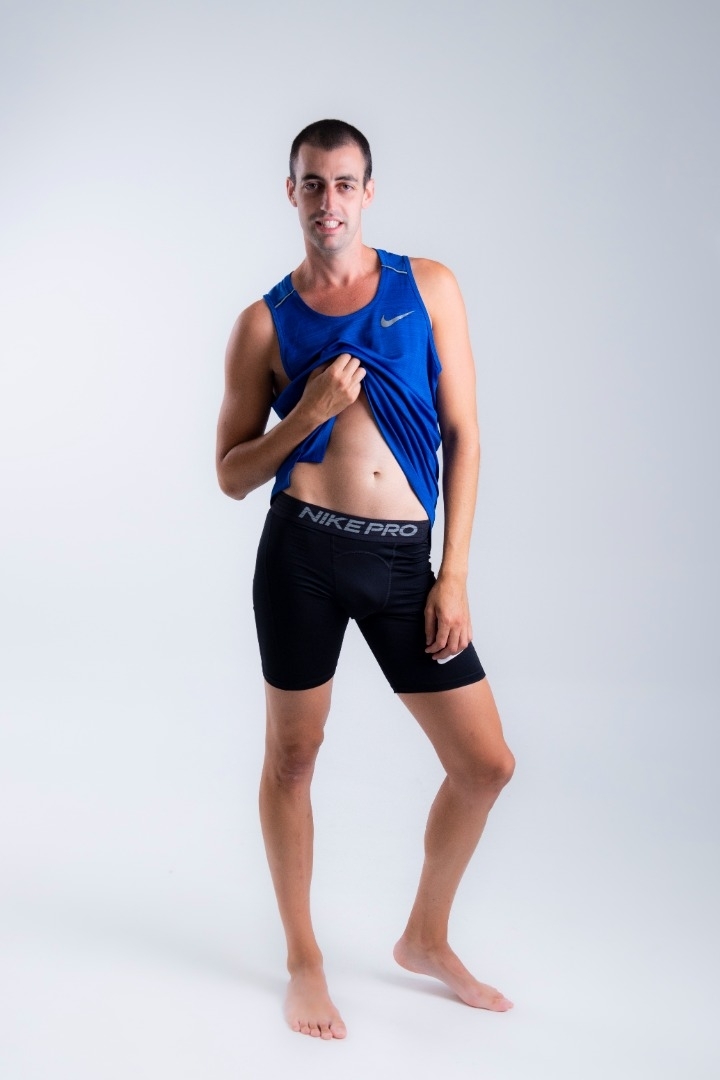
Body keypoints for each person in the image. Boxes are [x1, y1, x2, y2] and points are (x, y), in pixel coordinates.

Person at [216, 119, 515, 1040]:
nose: (329, 201)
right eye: (313, 183)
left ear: (368, 193)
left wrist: (452, 574)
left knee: (485, 764)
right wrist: (306, 411)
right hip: (301, 556)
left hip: (401, 564)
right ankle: (304, 960)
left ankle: (425, 937)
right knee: (293, 759)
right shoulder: (263, 323)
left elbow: (464, 436)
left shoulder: (429, 287)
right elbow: (230, 474)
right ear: (291, 192)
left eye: (344, 184)